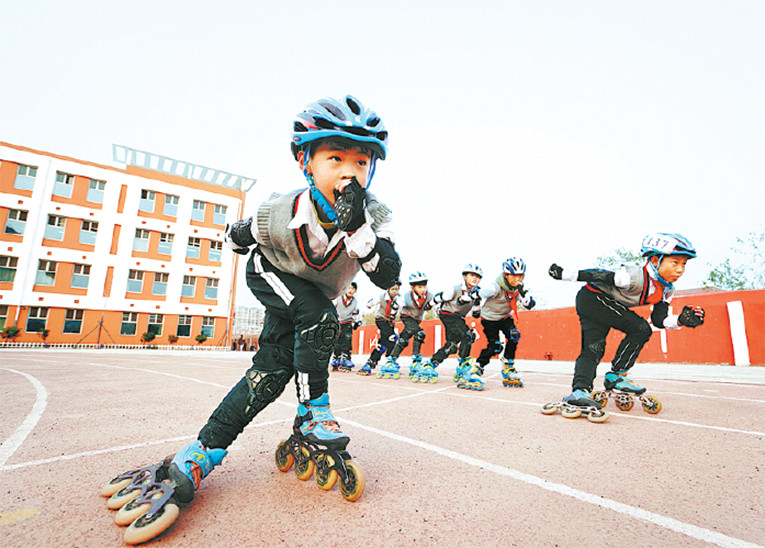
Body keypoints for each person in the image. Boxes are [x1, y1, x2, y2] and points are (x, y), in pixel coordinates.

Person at [104, 95, 401, 541]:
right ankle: (313, 414)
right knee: (319, 319)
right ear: (306, 161)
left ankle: (200, 453)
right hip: (271, 272)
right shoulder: (280, 211)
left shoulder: (374, 215)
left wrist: (358, 230)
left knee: (272, 371)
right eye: (335, 157)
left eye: (361, 162)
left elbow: (388, 274)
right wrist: (235, 237)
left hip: (313, 293)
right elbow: (240, 234)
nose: (348, 171)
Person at [548, 232, 705, 409]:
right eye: (674, 262)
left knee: (594, 348)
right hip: (592, 298)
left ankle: (581, 390)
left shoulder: (667, 290)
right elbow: (598, 275)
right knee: (640, 328)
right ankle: (614, 377)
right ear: (654, 261)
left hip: (606, 304)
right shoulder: (632, 277)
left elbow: (659, 320)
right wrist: (564, 274)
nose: (680, 270)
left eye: (684, 264)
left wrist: (681, 320)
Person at [462, 257, 535, 391]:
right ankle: (477, 369)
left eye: (521, 275)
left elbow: (528, 305)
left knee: (514, 336)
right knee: (495, 346)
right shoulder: (494, 287)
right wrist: (472, 302)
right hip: (489, 319)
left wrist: (526, 297)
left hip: (505, 318)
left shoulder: (518, 288)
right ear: (506, 275)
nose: (518, 279)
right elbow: (477, 294)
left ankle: (508, 368)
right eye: (515, 275)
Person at [415, 264, 483, 383]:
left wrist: (477, 301)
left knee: (451, 346)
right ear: (464, 276)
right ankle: (464, 366)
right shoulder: (455, 289)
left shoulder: (477, 293)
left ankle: (430, 364)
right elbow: (439, 297)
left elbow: (476, 314)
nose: (475, 278)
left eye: (478, 276)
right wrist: (429, 305)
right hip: (447, 314)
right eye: (472, 275)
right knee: (468, 335)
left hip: (458, 318)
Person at [380, 271, 434, 379]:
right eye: (419, 287)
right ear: (412, 287)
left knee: (403, 340)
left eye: (424, 286)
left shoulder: (429, 296)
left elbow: (436, 305)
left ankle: (391, 360)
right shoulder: (405, 297)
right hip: (406, 317)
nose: (423, 290)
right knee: (419, 334)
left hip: (417, 320)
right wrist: (391, 318)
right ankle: (416, 361)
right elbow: (395, 306)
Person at [359, 280, 401, 375]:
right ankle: (390, 359)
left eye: (397, 289)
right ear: (388, 289)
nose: (395, 291)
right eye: (393, 289)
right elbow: (369, 304)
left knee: (384, 342)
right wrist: (369, 305)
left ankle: (371, 362)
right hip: (381, 320)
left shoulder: (399, 300)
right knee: (392, 337)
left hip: (390, 322)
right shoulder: (381, 297)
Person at [331, 282, 361, 372]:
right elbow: (332, 308)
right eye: (349, 288)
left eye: (352, 289)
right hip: (337, 321)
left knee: (347, 338)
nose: (350, 291)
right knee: (337, 340)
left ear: (355, 291)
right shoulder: (338, 298)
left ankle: (346, 357)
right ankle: (336, 357)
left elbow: (355, 313)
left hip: (347, 322)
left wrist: (357, 322)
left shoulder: (355, 302)